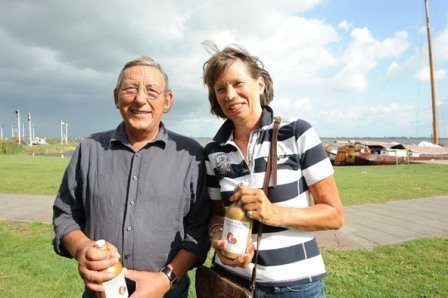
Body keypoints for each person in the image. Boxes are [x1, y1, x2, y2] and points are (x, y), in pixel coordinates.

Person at [53, 56, 210, 298]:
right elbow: (66, 215)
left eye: (151, 91)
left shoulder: (191, 156)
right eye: (130, 89)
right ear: (116, 97)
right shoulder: (89, 149)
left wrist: (165, 279)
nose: (140, 99)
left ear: (167, 101)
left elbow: (199, 231)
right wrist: (82, 248)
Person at [202, 43, 344, 297]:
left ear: (260, 84)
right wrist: (217, 240)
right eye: (221, 89)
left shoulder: (297, 132)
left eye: (238, 83)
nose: (230, 95)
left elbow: (334, 215)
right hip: (230, 282)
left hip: (295, 286)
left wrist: (273, 213)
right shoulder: (214, 151)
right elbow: (216, 216)